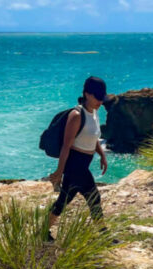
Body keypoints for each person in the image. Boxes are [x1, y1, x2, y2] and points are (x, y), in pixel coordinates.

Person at [47, 76, 110, 240]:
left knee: (63, 201)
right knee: (93, 196)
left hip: (82, 165)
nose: (100, 102)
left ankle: (42, 231)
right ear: (87, 94)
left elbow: (93, 137)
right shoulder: (76, 115)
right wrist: (59, 172)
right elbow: (66, 146)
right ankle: (103, 234)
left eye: (102, 98)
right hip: (75, 165)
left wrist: (102, 155)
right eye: (97, 97)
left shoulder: (94, 112)